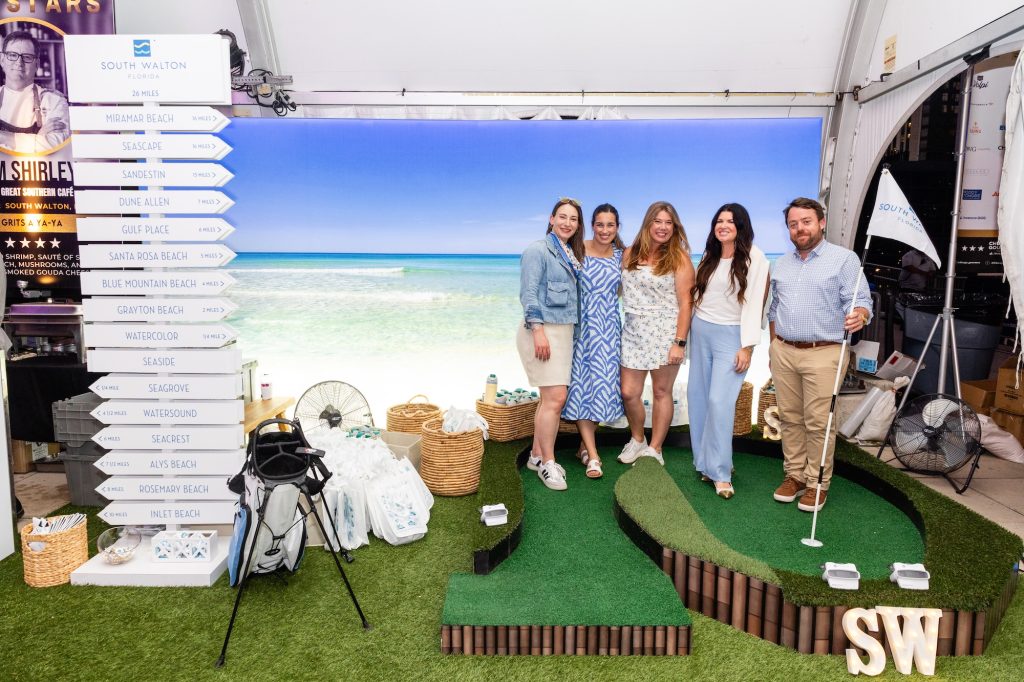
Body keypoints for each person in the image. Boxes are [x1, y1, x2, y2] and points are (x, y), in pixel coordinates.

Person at [768, 197, 872, 512]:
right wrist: (774, 346)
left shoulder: (844, 259)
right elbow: (774, 309)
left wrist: (860, 315)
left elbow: (861, 300)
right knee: (790, 418)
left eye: (806, 222)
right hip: (784, 351)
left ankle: (817, 483)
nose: (799, 228)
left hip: (824, 352)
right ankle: (795, 476)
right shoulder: (780, 264)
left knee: (818, 422)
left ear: (821, 223)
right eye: (793, 224)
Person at [687, 203, 770, 499]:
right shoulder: (708, 256)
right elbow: (698, 297)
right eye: (719, 221)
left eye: (730, 221)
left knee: (719, 402)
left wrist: (747, 347)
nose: (723, 225)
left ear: (741, 226)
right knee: (698, 398)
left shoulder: (755, 258)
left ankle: (721, 472)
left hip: (732, 337)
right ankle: (705, 462)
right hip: (701, 331)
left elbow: (757, 304)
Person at [618, 201, 694, 466]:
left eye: (668, 223)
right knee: (629, 392)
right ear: (648, 223)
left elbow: (686, 303)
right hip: (633, 331)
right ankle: (637, 439)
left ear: (675, 227)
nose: (663, 227)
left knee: (662, 391)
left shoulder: (679, 258)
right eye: (658, 221)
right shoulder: (629, 254)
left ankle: (655, 447)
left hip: (666, 332)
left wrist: (679, 342)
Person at [518, 198, 585, 491]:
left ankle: (536, 455)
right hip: (543, 332)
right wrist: (538, 330)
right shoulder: (538, 250)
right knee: (556, 399)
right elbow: (528, 294)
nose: (567, 223)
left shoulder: (569, 252)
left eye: (573, 219)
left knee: (549, 399)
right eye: (562, 216)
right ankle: (548, 463)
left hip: (563, 332)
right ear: (551, 218)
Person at [562, 203, 625, 479]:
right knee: (581, 388)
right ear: (592, 225)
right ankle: (593, 455)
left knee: (603, 387)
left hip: (609, 330)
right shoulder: (577, 250)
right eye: (600, 224)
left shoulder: (621, 256)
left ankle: (583, 447)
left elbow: (623, 290)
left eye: (610, 225)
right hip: (581, 329)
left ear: (617, 227)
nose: (604, 230)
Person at [0, 30, 69, 155]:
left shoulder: (54, 101)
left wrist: (3, 137)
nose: (19, 62)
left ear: (37, 64)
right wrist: (38, 139)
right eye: (12, 55)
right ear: (2, 60)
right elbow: (45, 145)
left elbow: (57, 146)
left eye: (27, 57)